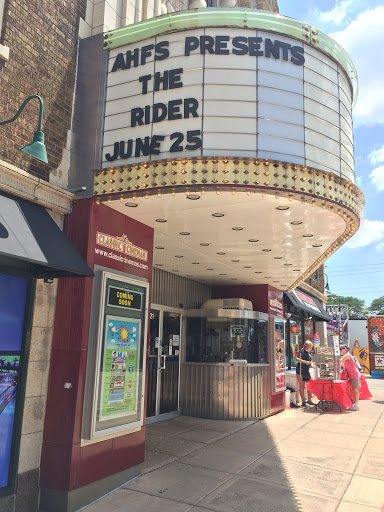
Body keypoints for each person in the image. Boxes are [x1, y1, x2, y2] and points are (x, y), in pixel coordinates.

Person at [340, 344, 361, 411]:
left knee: (356, 390)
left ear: (345, 349)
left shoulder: (347, 355)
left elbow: (339, 361)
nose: (340, 351)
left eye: (341, 349)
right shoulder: (347, 355)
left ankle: (356, 405)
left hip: (354, 374)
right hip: (352, 375)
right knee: (355, 390)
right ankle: (355, 404)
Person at [296, 340, 315, 407]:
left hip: (306, 370)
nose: (310, 347)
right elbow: (297, 359)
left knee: (309, 385)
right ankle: (303, 401)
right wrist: (305, 362)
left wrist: (312, 364)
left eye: (311, 346)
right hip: (300, 369)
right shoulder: (301, 351)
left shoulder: (309, 353)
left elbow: (310, 361)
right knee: (302, 385)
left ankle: (309, 400)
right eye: (309, 346)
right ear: (306, 345)